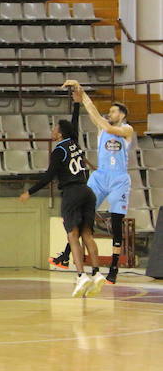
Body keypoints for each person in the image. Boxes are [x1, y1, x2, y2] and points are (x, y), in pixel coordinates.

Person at [54, 80, 133, 284]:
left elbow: (102, 121)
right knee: (80, 215)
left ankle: (114, 268)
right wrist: (80, 89)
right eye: (109, 111)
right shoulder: (102, 128)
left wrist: (92, 108)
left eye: (114, 111)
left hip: (119, 178)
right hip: (100, 175)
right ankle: (65, 254)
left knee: (116, 222)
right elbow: (93, 113)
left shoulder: (127, 129)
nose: (110, 113)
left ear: (122, 115)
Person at [20, 115, 105, 298]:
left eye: (54, 128)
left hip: (72, 193)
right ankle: (97, 273)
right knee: (87, 235)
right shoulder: (74, 143)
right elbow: (74, 126)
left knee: (72, 236)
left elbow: (49, 176)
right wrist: (75, 105)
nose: (52, 130)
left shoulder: (59, 150)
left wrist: (30, 192)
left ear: (59, 134)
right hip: (87, 191)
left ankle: (81, 275)